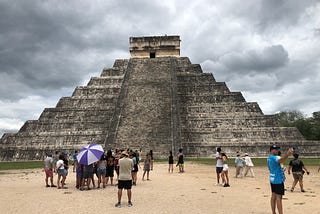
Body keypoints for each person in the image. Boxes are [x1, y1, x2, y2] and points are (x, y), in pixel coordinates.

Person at [267, 145, 293, 214]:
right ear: (271, 150)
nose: (277, 151)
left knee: (273, 195)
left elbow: (269, 168)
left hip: (272, 178)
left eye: (277, 149)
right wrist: (287, 154)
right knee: (279, 197)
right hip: (277, 179)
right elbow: (280, 160)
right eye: (275, 149)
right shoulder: (274, 157)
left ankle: (273, 212)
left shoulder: (269, 158)